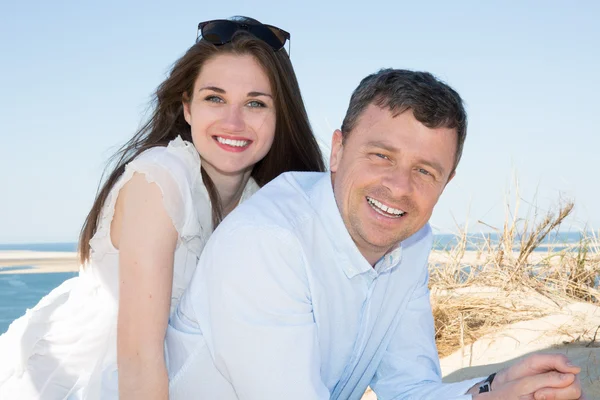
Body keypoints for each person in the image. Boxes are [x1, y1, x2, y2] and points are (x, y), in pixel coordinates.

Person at [166, 69, 584, 399]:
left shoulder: (412, 242)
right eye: (381, 155)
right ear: (337, 150)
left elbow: (408, 388)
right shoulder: (267, 244)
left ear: (447, 181)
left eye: (425, 171)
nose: (399, 187)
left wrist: (494, 390)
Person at [0, 16, 325, 399]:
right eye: (214, 98)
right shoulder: (159, 179)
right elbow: (139, 360)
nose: (233, 121)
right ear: (187, 108)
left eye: (255, 103)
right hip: (83, 384)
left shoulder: (265, 202)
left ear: (279, 117)